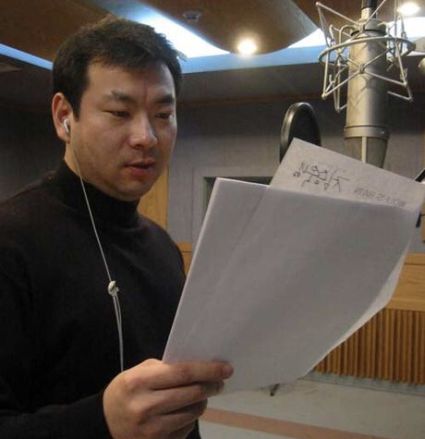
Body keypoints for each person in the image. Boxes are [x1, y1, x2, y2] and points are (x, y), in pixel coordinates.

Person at [0, 17, 233, 439]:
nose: (146, 137)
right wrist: (102, 422)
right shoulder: (11, 242)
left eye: (163, 114)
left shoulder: (162, 247)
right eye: (119, 113)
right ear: (64, 116)